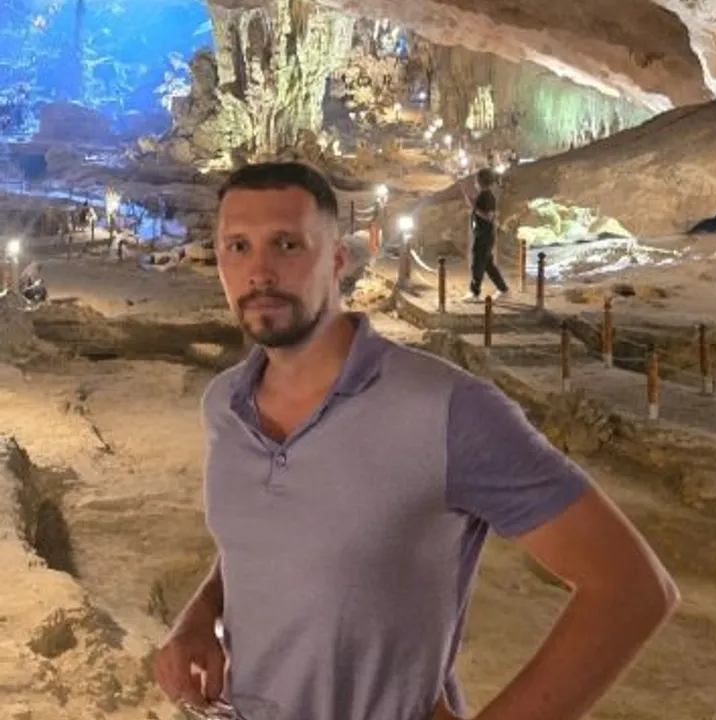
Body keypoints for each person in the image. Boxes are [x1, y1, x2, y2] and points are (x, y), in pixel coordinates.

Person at [154, 162, 679, 720]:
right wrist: (199, 616)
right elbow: (270, 533)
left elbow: (632, 588)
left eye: (287, 245)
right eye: (238, 246)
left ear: (337, 261)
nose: (259, 272)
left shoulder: (446, 410)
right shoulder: (225, 405)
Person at [462, 168, 508, 303]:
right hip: (484, 234)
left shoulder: (486, 196)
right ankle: (503, 289)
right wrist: (472, 204)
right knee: (487, 264)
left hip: (484, 236)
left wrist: (474, 208)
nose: (475, 182)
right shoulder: (484, 195)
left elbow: (489, 216)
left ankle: (475, 292)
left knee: (477, 264)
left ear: (481, 181)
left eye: (476, 180)